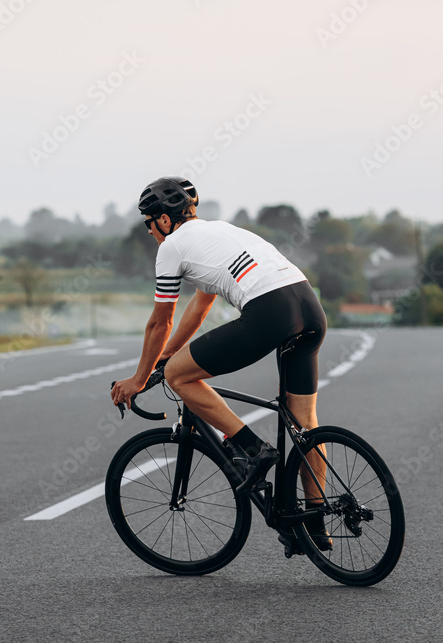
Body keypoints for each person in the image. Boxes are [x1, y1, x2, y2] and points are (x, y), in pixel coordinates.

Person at [110, 176, 331, 554]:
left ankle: (253, 448)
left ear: (164, 220)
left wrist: (139, 378)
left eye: (149, 222)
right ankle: (315, 522)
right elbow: (200, 306)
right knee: (304, 425)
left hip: (270, 311)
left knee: (179, 377)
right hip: (309, 308)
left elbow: (160, 321)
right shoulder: (219, 233)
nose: (149, 231)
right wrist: (167, 354)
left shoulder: (171, 247)